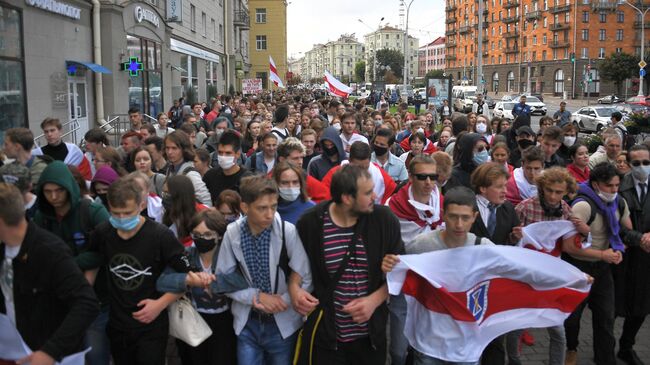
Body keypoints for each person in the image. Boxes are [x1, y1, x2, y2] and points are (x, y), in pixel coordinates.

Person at [292, 164, 403, 365]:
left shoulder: (384, 220)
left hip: (371, 340)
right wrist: (294, 290)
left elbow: (402, 273)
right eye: (368, 193)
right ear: (347, 198)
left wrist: (374, 300)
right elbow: (297, 268)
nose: (375, 197)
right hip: (327, 339)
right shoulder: (311, 223)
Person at [381, 186, 494, 365]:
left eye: (465, 217)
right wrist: (389, 265)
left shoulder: (485, 249)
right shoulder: (420, 246)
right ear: (443, 214)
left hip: (466, 349)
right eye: (453, 216)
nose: (459, 224)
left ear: (475, 217)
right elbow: (399, 272)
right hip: (429, 346)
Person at [87, 178, 191, 365]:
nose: (121, 219)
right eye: (115, 213)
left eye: (127, 213)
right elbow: (91, 262)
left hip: (151, 327)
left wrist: (160, 304)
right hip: (117, 324)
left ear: (141, 205)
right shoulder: (103, 232)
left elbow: (187, 276)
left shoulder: (160, 236)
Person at [216, 175, 312, 365]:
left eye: (274, 206)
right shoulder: (233, 233)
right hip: (247, 323)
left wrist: (283, 301)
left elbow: (305, 275)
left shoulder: (287, 231)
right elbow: (223, 279)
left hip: (282, 325)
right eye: (262, 208)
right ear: (245, 207)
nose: (269, 214)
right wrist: (257, 297)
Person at [0, 182, 99, 365]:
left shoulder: (49, 251)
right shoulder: (4, 249)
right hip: (14, 351)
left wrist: (50, 352)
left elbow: (86, 303)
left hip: (50, 356)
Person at [32, 161, 111, 364]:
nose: (54, 197)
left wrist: (72, 263)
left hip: (96, 299)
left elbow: (109, 246)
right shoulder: (42, 218)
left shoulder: (92, 211)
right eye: (48, 192)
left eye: (59, 190)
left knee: (95, 354)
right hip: (59, 300)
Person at [156, 209, 249, 365]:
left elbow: (243, 279)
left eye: (207, 234)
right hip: (194, 318)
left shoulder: (228, 255)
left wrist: (213, 282)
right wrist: (190, 280)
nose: (201, 239)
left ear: (219, 235)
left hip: (224, 321)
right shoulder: (186, 255)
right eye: (196, 234)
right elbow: (162, 281)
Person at [565, 163, 629, 365]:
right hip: (577, 268)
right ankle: (571, 349)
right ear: (595, 184)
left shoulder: (619, 203)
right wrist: (603, 254)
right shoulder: (582, 206)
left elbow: (625, 233)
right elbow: (569, 247)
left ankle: (605, 359)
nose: (614, 190)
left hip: (602, 269)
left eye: (617, 185)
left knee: (606, 318)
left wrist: (619, 250)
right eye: (609, 186)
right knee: (572, 318)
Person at [385, 155, 442, 365]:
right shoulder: (393, 206)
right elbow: (385, 244)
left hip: (431, 285)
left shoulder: (443, 204)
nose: (428, 182)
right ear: (410, 177)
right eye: (422, 177)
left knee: (424, 350)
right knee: (399, 350)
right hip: (404, 283)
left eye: (433, 177)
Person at [470, 163, 522, 365]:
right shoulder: (468, 207)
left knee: (495, 337)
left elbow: (509, 245)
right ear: (483, 188)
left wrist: (514, 237)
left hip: (498, 282)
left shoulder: (508, 208)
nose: (505, 191)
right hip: (473, 281)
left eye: (505, 185)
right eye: (499, 186)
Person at [614, 145, 650, 365]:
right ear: (628, 164)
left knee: (641, 307)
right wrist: (640, 238)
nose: (642, 167)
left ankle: (626, 347)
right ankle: (605, 348)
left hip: (646, 259)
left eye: (646, 162)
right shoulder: (619, 187)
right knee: (615, 306)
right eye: (636, 163)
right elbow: (615, 223)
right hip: (623, 256)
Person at [321, 142, 397, 205]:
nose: (361, 172)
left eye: (365, 167)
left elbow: (394, 197)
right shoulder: (334, 174)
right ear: (349, 161)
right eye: (358, 168)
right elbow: (323, 200)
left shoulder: (381, 177)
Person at [164, 131, 212, 206]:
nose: (170, 152)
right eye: (167, 148)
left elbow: (206, 202)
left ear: (184, 149)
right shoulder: (170, 168)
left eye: (174, 148)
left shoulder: (190, 173)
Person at [276, 137, 330, 203]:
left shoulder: (306, 178)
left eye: (301, 157)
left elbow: (326, 196)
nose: (300, 162)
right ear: (282, 159)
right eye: (295, 158)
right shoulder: (271, 178)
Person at [203, 130, 251, 205]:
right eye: (220, 152)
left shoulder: (247, 179)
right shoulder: (210, 175)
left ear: (237, 154)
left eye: (228, 153)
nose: (223, 156)